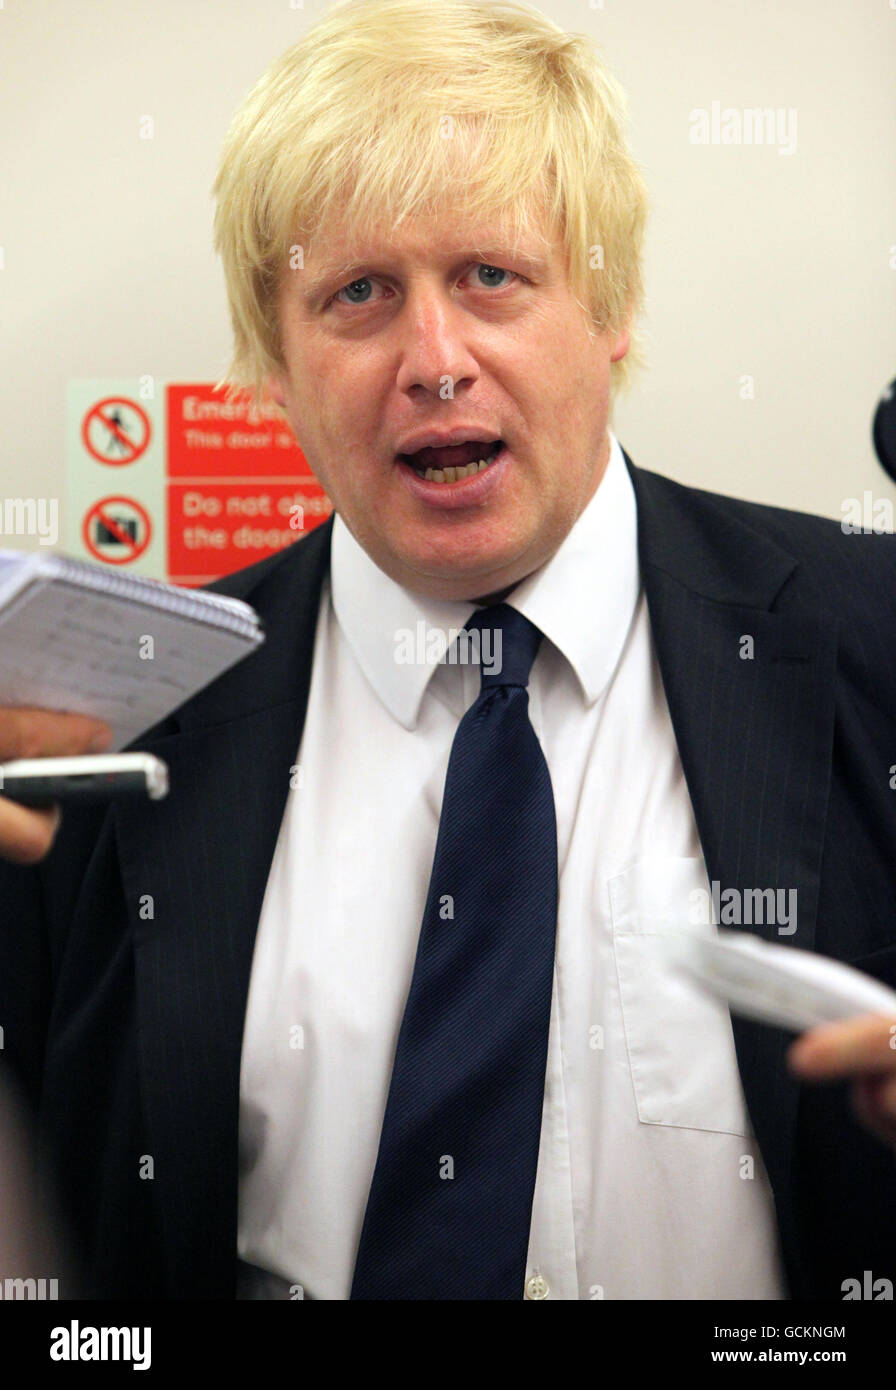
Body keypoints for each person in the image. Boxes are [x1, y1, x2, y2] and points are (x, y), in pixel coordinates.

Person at [1, 0, 895, 1301]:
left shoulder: (874, 635)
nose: (434, 362)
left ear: (609, 306)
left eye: (491, 276)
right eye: (358, 293)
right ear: (275, 362)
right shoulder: (105, 714)